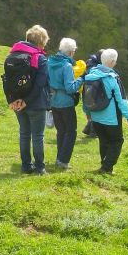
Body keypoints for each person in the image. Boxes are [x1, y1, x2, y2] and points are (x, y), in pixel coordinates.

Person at [83, 48, 128, 175]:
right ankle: (106, 167)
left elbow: (86, 96)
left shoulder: (90, 74)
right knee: (117, 141)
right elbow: (121, 99)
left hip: (95, 116)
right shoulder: (112, 78)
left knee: (103, 140)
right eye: (115, 61)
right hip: (111, 118)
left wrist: (87, 112)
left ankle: (105, 165)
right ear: (111, 62)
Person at [8, 24, 50, 175]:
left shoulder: (12, 56)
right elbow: (40, 85)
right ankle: (40, 167)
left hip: (18, 102)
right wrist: (28, 101)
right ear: (41, 42)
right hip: (36, 103)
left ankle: (26, 166)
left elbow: (8, 81)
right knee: (38, 136)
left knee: (24, 133)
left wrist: (13, 100)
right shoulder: (40, 58)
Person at [48, 37, 85, 169]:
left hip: (53, 101)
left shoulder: (49, 62)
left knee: (61, 131)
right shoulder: (67, 66)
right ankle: (63, 161)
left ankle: (59, 159)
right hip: (66, 103)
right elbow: (70, 88)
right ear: (70, 52)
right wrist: (81, 78)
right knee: (71, 132)